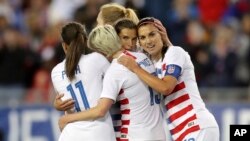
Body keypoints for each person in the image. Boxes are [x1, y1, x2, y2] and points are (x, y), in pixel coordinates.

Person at [118, 17, 220, 141]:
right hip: (180, 132)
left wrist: (135, 68)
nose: (148, 41)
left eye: (152, 34)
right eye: (143, 37)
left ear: (161, 33)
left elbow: (166, 88)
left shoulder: (175, 52)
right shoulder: (150, 65)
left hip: (196, 125)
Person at [58, 24, 166, 141]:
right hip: (159, 133)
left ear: (101, 51)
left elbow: (100, 110)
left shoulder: (115, 71)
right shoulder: (142, 57)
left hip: (134, 135)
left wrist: (68, 118)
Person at [51, 22, 116, 141]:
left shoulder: (55, 72)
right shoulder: (97, 59)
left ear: (64, 46)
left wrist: (57, 106)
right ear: (85, 41)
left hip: (71, 134)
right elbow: (117, 84)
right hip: (100, 132)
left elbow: (67, 109)